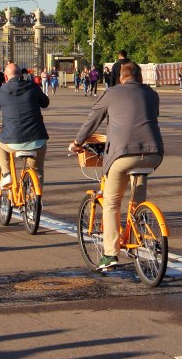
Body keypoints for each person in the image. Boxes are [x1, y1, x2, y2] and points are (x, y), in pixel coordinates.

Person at [69, 62, 164, 271]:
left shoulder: (111, 93)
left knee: (112, 202)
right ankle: (139, 234)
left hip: (122, 154)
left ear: (121, 77)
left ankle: (110, 254)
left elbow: (92, 121)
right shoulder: (152, 94)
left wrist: (77, 143)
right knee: (138, 197)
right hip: (153, 153)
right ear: (140, 77)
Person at [0, 63, 50, 189]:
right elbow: (45, 103)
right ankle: (35, 201)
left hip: (13, 142)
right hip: (37, 140)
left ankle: (7, 173)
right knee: (38, 171)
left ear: (6, 78)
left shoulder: (2, 91)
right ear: (22, 75)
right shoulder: (33, 87)